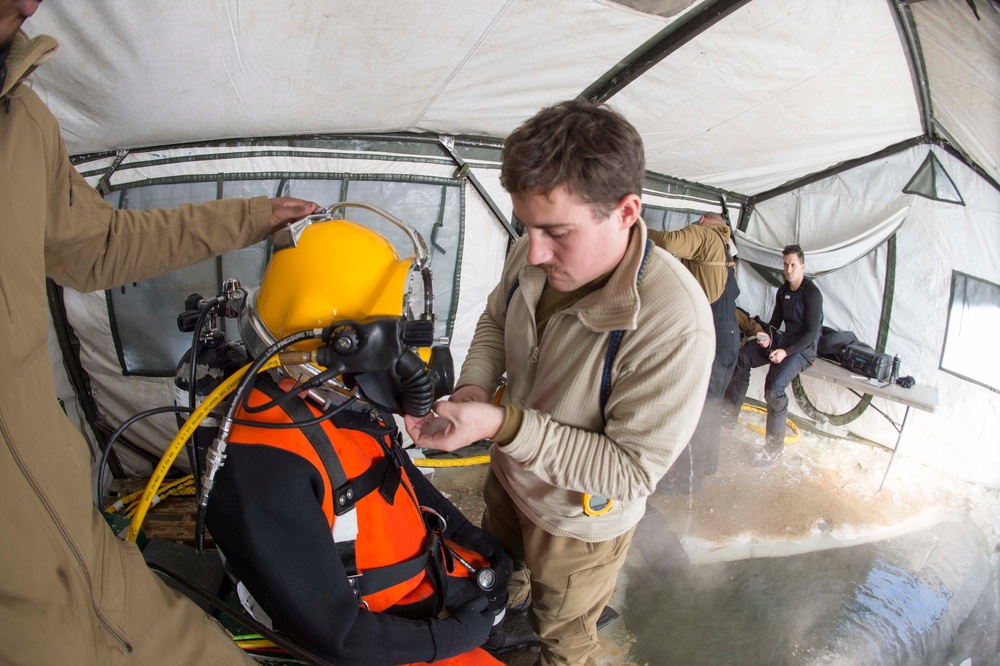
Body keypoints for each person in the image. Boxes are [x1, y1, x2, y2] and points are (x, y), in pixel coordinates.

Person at [1, 5, 318, 663]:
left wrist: (248, 219)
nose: (30, 5)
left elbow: (95, 245)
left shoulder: (23, 118)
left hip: (81, 544)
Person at [404, 100, 715, 665]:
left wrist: (503, 424)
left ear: (626, 212)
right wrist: (475, 389)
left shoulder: (674, 322)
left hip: (577, 523)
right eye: (528, 227)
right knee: (500, 573)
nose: (535, 250)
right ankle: (504, 620)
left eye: (558, 232)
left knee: (564, 635)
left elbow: (630, 470)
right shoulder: (533, 251)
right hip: (510, 477)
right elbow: (498, 321)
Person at [204, 215, 512, 665]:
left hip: (415, 579)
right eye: (388, 330)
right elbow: (342, 637)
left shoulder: (332, 392)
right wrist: (457, 635)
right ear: (338, 341)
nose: (402, 354)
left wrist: (470, 538)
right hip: (377, 632)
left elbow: (396, 471)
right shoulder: (264, 465)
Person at [648, 213, 740, 493]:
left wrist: (635, 229)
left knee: (697, 407)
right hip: (730, 336)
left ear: (702, 220)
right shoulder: (726, 246)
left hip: (713, 335)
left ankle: (689, 480)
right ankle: (705, 466)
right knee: (711, 406)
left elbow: (668, 242)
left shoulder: (704, 235)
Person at [723, 244, 823, 467]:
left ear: (803, 266)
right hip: (784, 341)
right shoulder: (783, 290)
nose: (788, 269)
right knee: (744, 355)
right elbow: (776, 323)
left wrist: (785, 352)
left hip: (803, 350)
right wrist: (767, 337)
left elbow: (811, 334)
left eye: (793, 265)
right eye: (786, 265)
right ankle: (728, 413)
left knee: (774, 388)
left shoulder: (812, 294)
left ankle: (773, 447)